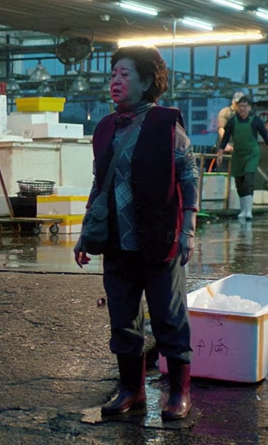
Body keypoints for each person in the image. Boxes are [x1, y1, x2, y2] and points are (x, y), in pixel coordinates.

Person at [74, 46, 199, 422]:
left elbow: (189, 175)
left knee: (168, 318)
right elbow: (98, 185)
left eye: (124, 74)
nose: (115, 80)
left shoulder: (166, 126)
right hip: (116, 243)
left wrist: (188, 230)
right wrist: (85, 234)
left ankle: (179, 392)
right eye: (113, 73)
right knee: (122, 319)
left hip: (159, 240)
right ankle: (132, 390)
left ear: (146, 82)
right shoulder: (105, 128)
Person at [216, 96, 268, 221]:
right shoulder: (232, 121)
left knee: (248, 180)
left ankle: (248, 211)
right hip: (238, 155)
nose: (242, 108)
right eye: (240, 106)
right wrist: (220, 152)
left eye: (245, 106)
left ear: (249, 107)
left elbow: (265, 135)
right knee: (240, 182)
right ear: (237, 107)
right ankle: (243, 210)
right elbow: (225, 138)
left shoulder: (256, 121)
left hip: (251, 154)